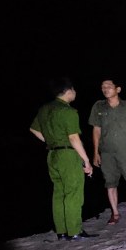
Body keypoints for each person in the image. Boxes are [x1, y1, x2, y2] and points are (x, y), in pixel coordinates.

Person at [29, 77, 96, 241]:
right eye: (74, 90)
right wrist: (86, 161)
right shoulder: (68, 111)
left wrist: (51, 141)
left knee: (59, 193)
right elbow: (74, 138)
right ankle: (74, 231)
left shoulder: (44, 109)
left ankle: (62, 232)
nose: (75, 93)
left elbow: (33, 129)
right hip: (67, 155)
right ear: (69, 91)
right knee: (73, 193)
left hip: (52, 155)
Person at [89, 78, 126, 225]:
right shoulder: (99, 107)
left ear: (118, 89)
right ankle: (115, 213)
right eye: (102, 86)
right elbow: (96, 130)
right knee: (110, 183)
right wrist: (95, 152)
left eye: (109, 86)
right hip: (107, 152)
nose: (105, 89)